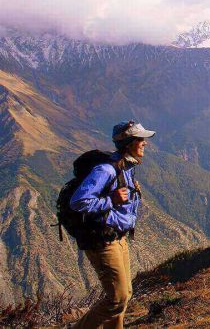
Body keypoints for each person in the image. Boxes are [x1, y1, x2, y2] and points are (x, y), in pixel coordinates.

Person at [69, 120, 155, 329]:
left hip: (118, 237)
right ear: (128, 144)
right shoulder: (106, 170)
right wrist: (111, 200)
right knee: (117, 299)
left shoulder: (126, 168)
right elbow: (78, 202)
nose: (145, 143)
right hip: (103, 241)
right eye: (140, 139)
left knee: (125, 295)